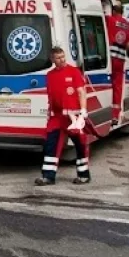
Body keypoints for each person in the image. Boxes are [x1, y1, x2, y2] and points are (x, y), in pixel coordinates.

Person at [35, 46, 91, 186]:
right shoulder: (50, 75)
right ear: (52, 59)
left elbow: (81, 92)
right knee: (50, 145)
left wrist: (83, 111)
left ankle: (83, 175)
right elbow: (51, 95)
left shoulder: (74, 72)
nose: (62, 60)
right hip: (57, 117)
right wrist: (49, 111)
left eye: (63, 56)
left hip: (73, 117)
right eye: (58, 58)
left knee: (80, 145)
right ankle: (48, 176)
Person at [105, 1, 129, 126]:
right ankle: (115, 115)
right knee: (117, 87)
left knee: (105, 83)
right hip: (120, 59)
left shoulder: (109, 19)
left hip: (108, 57)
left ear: (114, 11)